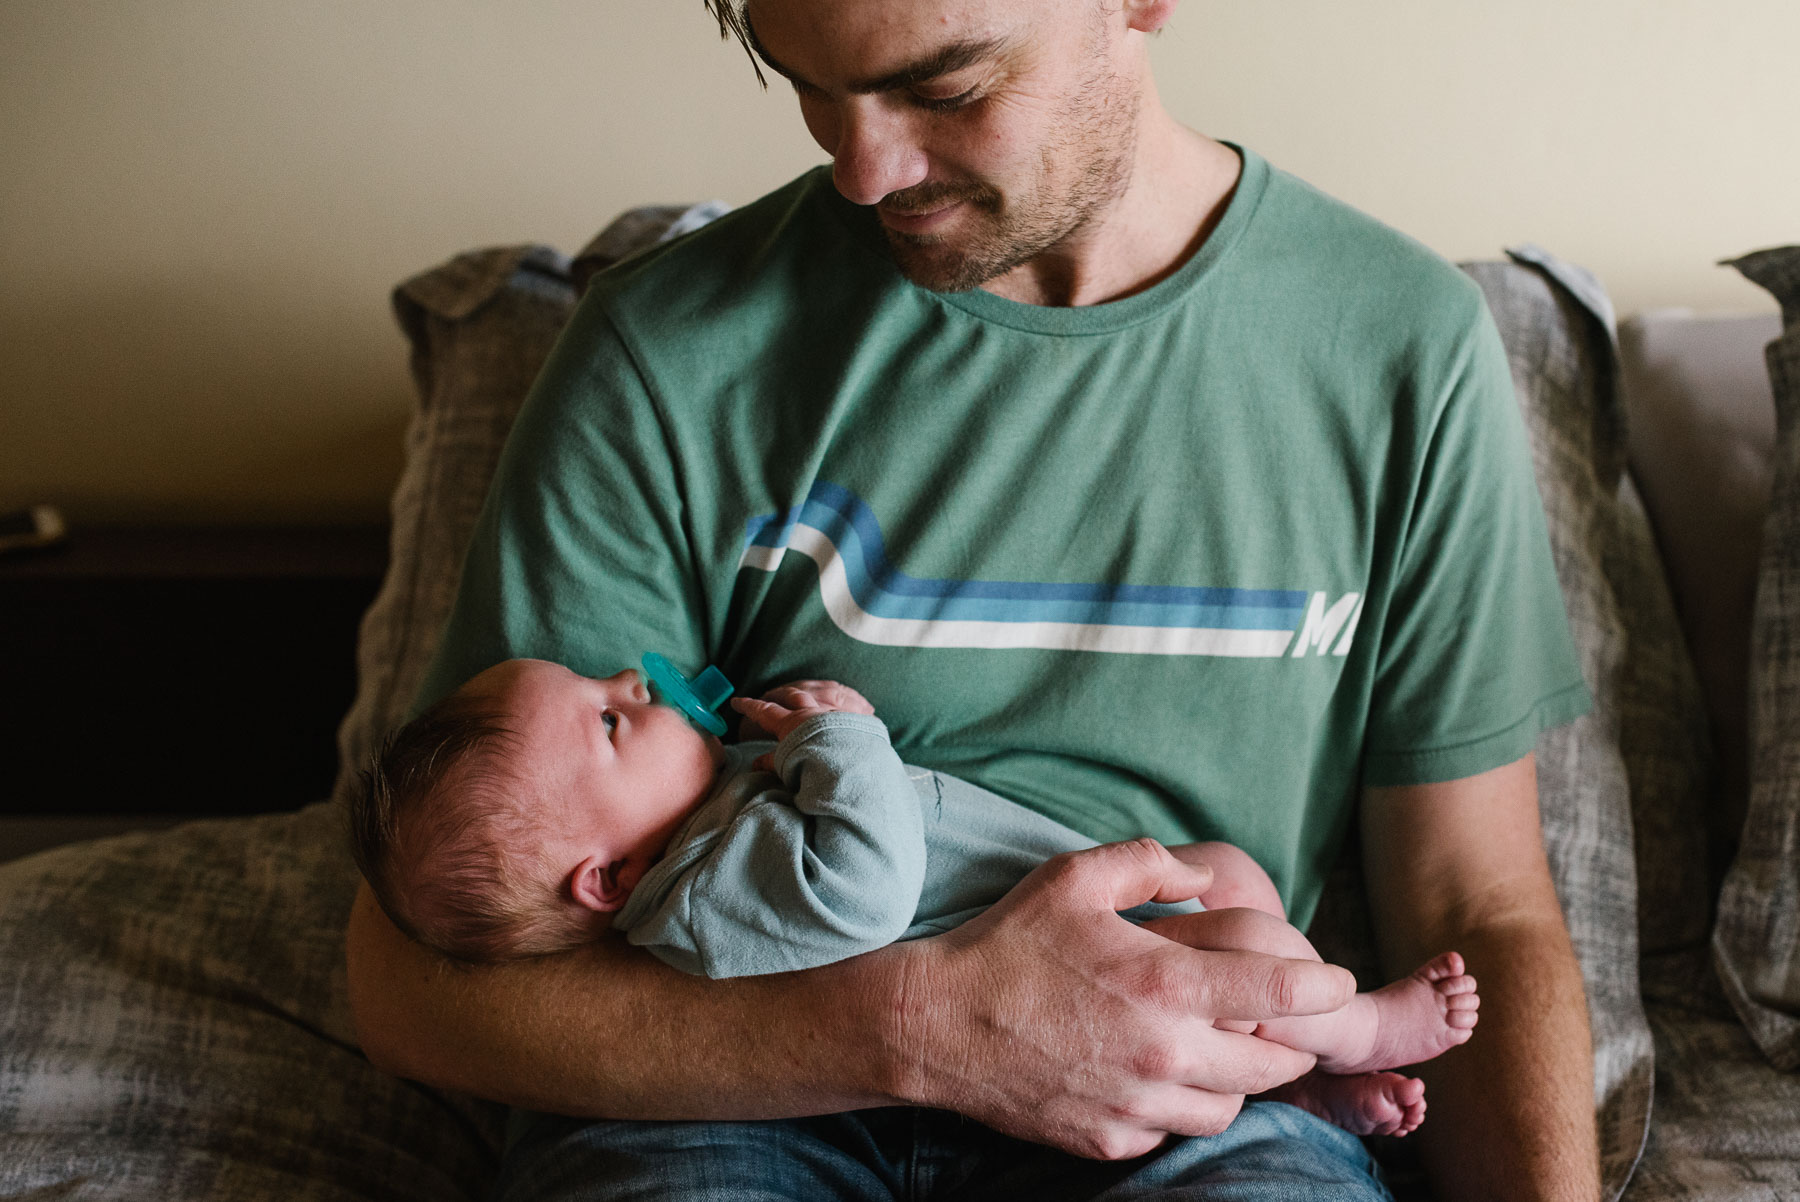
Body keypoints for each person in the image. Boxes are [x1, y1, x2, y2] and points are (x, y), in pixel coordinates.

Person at [345, 0, 1602, 1197]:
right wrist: (926, 1024)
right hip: (728, 1101)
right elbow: (412, 974)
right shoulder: (668, 348)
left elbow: (1473, 907)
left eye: (944, 86)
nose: (864, 171)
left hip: (1199, 1103)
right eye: (812, 92)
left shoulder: (1400, 347)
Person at [351, 657, 1482, 1140]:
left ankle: (1284, 1093)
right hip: (1068, 968)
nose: (633, 683)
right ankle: (1360, 1027)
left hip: (1076, 905)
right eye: (608, 721)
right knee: (1240, 938)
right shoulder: (700, 899)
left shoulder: (709, 811)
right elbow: (867, 882)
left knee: (1230, 872)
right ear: (604, 879)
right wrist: (843, 734)